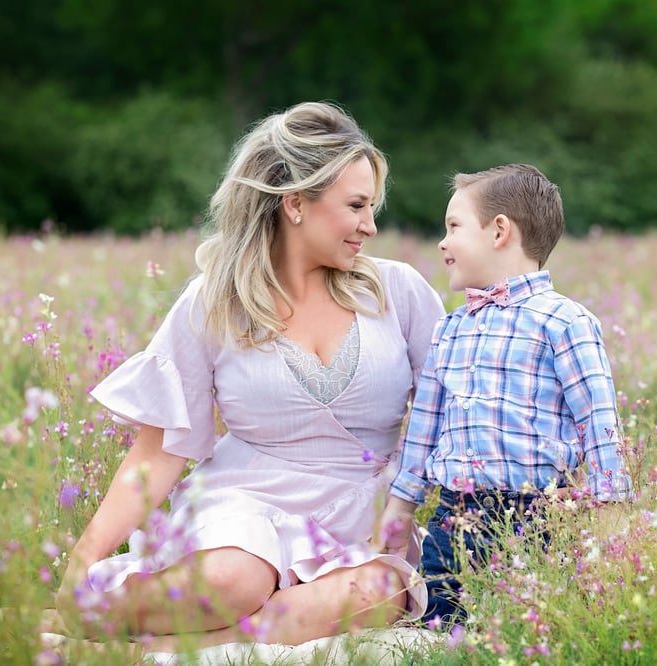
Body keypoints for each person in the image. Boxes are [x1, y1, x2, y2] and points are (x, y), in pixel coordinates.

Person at [50, 101, 446, 653]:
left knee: (372, 593)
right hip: (242, 505)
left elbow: (455, 413)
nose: (370, 226)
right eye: (356, 205)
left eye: (372, 206)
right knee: (233, 581)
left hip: (361, 515)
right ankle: (96, 611)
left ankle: (171, 648)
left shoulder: (398, 291)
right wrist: (84, 557)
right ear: (295, 203)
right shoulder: (215, 301)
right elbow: (159, 449)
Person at [379, 163, 632, 625]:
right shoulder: (450, 328)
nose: (443, 241)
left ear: (499, 232)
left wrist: (609, 509)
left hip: (537, 516)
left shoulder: (565, 322)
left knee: (527, 625)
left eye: (453, 226)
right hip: (453, 517)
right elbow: (424, 427)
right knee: (442, 624)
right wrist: (401, 506)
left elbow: (598, 421)